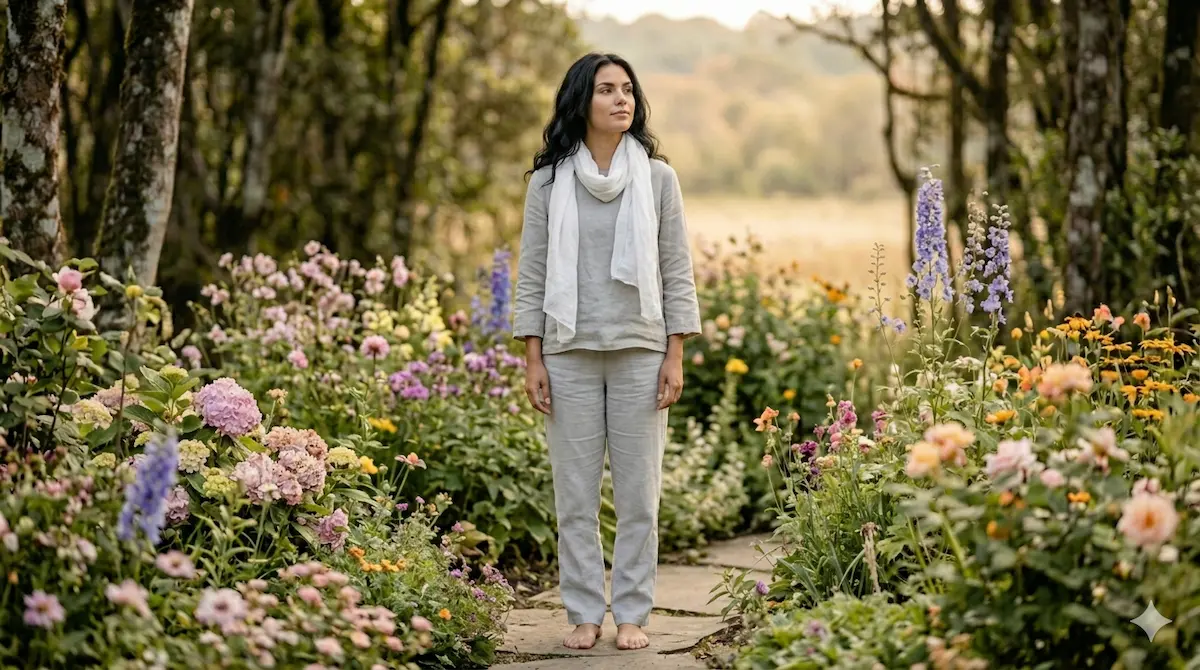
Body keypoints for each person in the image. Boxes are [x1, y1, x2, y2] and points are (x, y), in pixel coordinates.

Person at [511, 52, 702, 652]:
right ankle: (584, 611)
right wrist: (533, 356)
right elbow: (533, 272)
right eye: (606, 90)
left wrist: (674, 353)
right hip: (567, 353)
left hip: (641, 351)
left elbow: (676, 269)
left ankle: (634, 613)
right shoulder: (548, 182)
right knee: (574, 493)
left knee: (639, 495)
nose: (622, 100)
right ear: (581, 102)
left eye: (628, 90)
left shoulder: (658, 179)